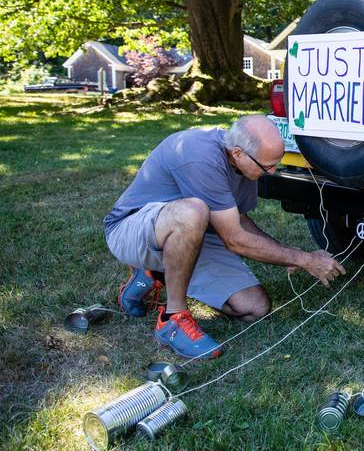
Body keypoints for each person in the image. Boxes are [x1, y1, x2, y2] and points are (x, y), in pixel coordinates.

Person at [104, 115, 346, 359]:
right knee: (193, 211)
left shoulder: (244, 163)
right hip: (131, 229)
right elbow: (234, 239)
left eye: (275, 164)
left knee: (255, 307)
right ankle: (172, 319)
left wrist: (292, 256)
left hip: (189, 232)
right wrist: (305, 259)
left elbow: (237, 220)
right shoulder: (199, 156)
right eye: (267, 166)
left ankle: (155, 272)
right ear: (238, 152)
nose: (271, 172)